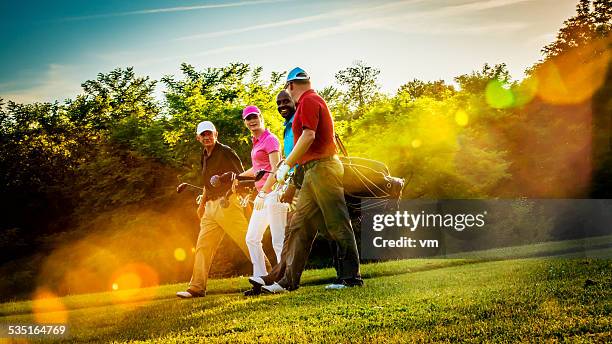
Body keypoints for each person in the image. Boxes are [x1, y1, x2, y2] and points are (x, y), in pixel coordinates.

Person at [260, 67, 363, 293]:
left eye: (288, 88)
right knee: (299, 226)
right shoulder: (310, 100)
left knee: (337, 224)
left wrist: (286, 165)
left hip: (323, 169)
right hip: (312, 171)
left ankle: (351, 278)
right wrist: (292, 167)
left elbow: (308, 136)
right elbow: (306, 143)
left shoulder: (308, 100)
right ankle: (287, 281)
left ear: (292, 86)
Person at [177, 120, 251, 298]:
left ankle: (270, 277)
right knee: (203, 246)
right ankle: (196, 287)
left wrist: (237, 198)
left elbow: (240, 177)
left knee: (248, 242)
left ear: (216, 134)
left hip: (227, 204)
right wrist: (202, 205)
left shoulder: (226, 152)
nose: (207, 137)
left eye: (209, 133)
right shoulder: (203, 155)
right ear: (198, 138)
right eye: (203, 135)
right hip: (210, 208)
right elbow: (206, 184)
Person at [239, 105, 288, 280]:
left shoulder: (270, 139)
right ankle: (261, 277)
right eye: (248, 118)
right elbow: (258, 168)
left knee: (278, 240)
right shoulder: (256, 142)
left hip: (274, 194)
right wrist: (238, 177)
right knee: (251, 238)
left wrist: (262, 193)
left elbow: (276, 170)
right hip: (263, 196)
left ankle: (285, 278)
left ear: (260, 117)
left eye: (254, 117)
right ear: (245, 122)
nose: (252, 121)